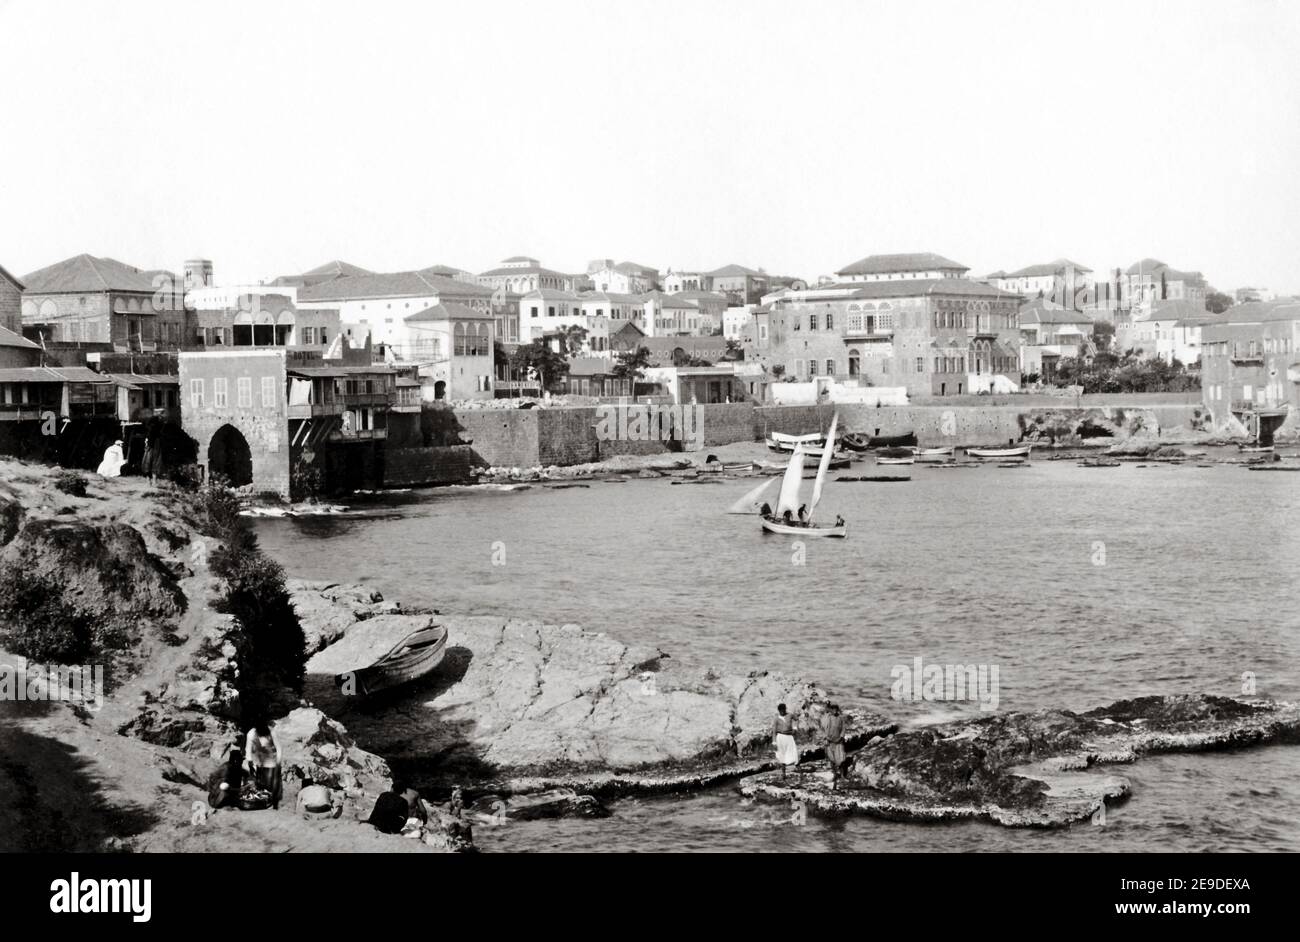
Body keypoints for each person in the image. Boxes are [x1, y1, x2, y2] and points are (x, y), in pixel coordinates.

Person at [244, 722, 283, 810]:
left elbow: (279, 747)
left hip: (271, 762)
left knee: (270, 784)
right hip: (258, 762)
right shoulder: (251, 734)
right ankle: (263, 802)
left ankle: (273, 803)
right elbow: (248, 748)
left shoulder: (271, 731)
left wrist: (278, 763)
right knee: (260, 784)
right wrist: (250, 763)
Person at [820, 703, 847, 788]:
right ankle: (835, 774)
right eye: (833, 709)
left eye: (836, 709)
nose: (835, 711)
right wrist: (826, 738)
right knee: (832, 760)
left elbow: (843, 728)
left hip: (838, 741)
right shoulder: (828, 718)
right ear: (831, 710)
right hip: (830, 741)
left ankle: (842, 775)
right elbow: (823, 728)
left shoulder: (840, 718)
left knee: (841, 759)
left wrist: (841, 737)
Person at [773, 703, 799, 779]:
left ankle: (799, 771)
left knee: (794, 753)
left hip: (789, 737)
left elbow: (796, 719)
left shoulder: (790, 715)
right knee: (782, 755)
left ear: (785, 709)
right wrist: (774, 742)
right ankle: (783, 773)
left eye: (783, 710)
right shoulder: (776, 718)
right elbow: (774, 730)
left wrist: (795, 728)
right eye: (781, 711)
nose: (782, 712)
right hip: (780, 737)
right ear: (779, 711)